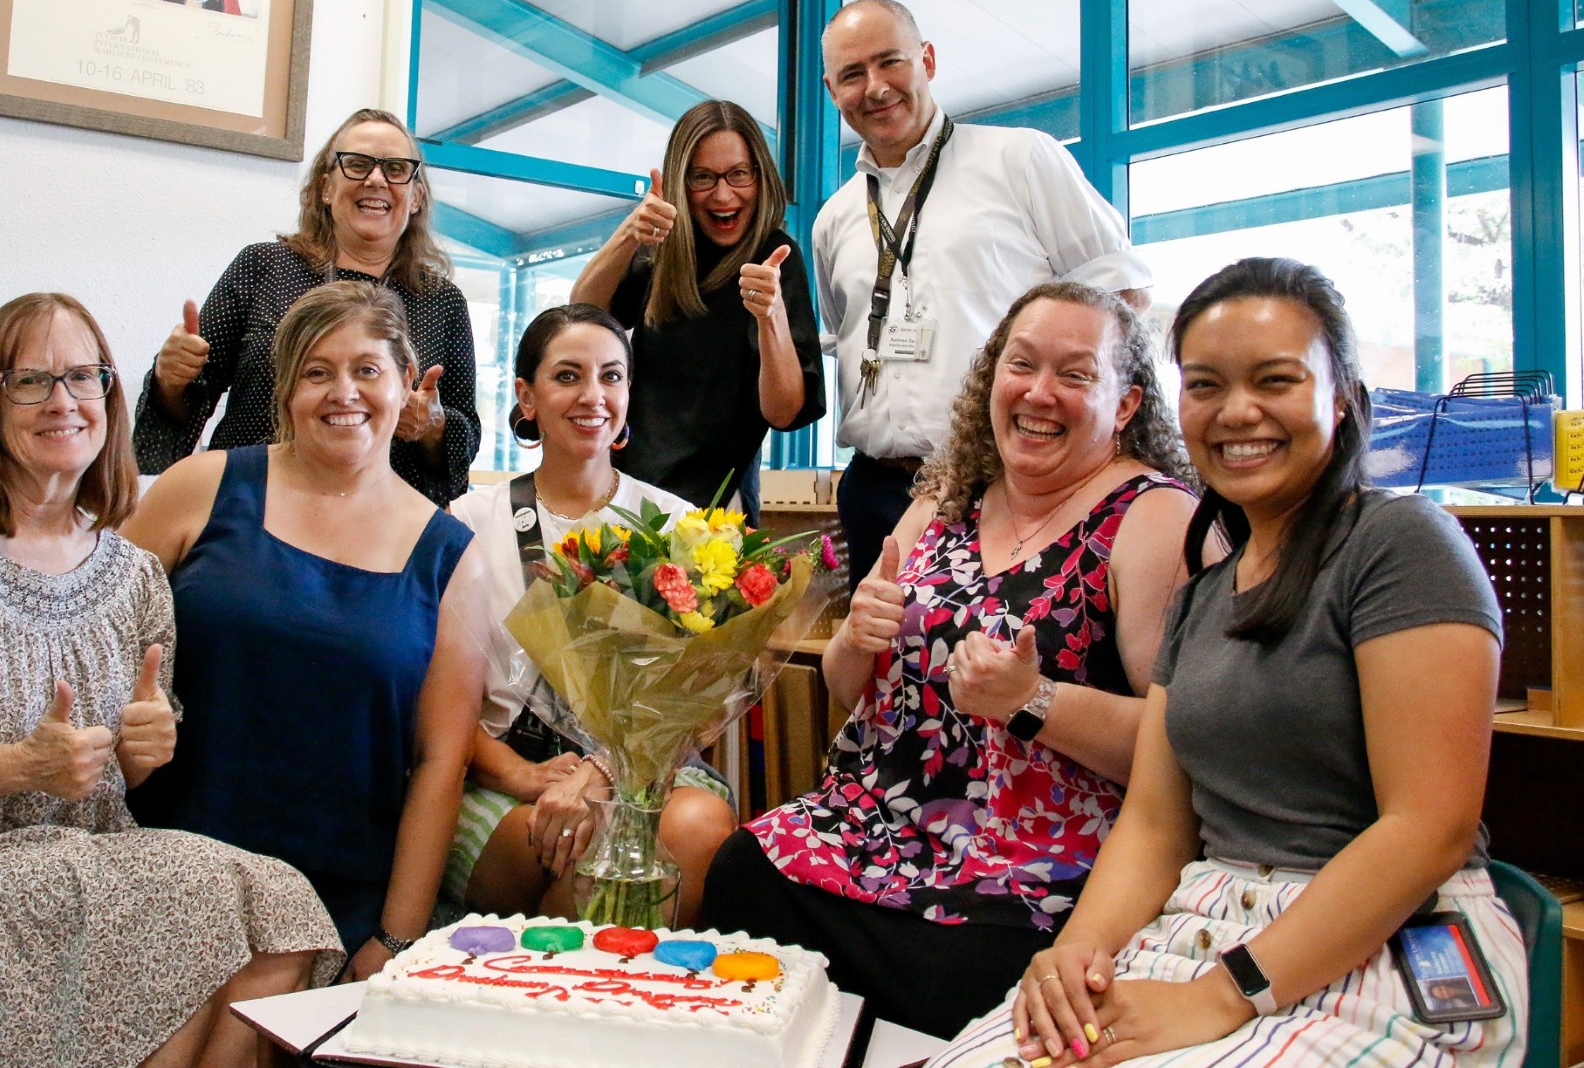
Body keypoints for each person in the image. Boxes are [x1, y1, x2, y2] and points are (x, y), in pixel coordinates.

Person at [932, 258, 1524, 1068]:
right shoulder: (1204, 595)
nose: (1237, 412)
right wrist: (1075, 953)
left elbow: (1429, 829)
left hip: (1382, 943)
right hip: (1203, 921)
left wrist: (1219, 996)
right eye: (1206, 385)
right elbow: (1154, 822)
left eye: (1274, 380)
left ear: (1343, 395)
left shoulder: (1399, 543)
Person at [0, 292, 340, 1068]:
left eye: (84, 377)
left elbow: (127, 770)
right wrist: (19, 766)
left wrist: (148, 744)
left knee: (281, 909)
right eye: (31, 381)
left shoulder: (135, 574)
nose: (63, 401)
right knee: (204, 894)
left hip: (78, 858)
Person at [704, 281, 1198, 1039]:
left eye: (1075, 374)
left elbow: (1183, 750)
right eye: (1021, 364)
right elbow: (849, 692)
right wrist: (854, 639)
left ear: (1126, 406)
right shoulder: (948, 497)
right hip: (871, 831)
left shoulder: (1152, 515)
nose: (1039, 392)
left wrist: (1034, 700)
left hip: (1028, 869)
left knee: (953, 978)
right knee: (743, 872)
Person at [123, 281, 488, 979]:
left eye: (367, 370)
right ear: (286, 390)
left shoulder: (449, 555)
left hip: (332, 898)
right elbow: (88, 641)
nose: (342, 392)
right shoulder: (198, 487)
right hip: (164, 864)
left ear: (408, 384)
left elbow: (443, 759)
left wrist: (396, 937)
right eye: (317, 372)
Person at [813, 0, 1152, 591]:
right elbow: (844, 338)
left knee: (999, 672)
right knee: (886, 673)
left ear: (928, 60)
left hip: (1000, 483)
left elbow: (1122, 296)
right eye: (851, 74)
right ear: (831, 90)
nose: (875, 87)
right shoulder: (833, 219)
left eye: (890, 62)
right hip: (874, 489)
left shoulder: (1019, 159)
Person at [445, 304, 739, 928]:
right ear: (526, 396)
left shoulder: (680, 526)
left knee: (696, 824)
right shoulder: (468, 522)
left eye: (611, 376)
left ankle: (568, 999)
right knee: (576, 842)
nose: (593, 396)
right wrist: (523, 776)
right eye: (568, 376)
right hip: (501, 773)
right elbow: (436, 696)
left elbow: (704, 702)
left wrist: (605, 773)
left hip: (648, 769)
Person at [133, 107, 481, 505]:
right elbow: (181, 412)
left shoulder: (442, 301)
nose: (376, 179)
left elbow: (462, 440)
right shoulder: (262, 267)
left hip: (378, 524)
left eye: (396, 169)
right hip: (247, 507)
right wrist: (170, 379)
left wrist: (433, 427)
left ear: (416, 196)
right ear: (325, 188)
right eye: (357, 164)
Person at [571, 99, 823, 519]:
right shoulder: (664, 248)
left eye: (738, 174)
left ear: (760, 176)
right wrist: (630, 233)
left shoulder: (775, 257)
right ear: (679, 183)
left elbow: (784, 412)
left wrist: (771, 316)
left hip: (717, 505)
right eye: (703, 177)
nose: (723, 195)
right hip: (628, 489)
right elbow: (581, 317)